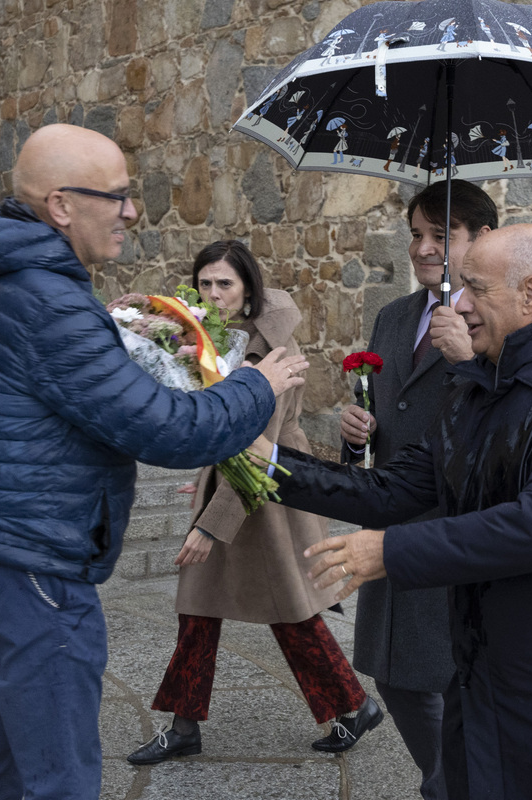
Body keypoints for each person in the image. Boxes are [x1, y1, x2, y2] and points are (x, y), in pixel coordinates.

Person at [0, 124, 308, 800]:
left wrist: (123, 340)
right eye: (119, 197)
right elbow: (168, 431)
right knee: (61, 777)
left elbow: (80, 390)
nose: (133, 212)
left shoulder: (23, 283)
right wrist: (259, 383)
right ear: (62, 206)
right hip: (35, 567)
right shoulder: (49, 302)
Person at [260, 223, 532, 799]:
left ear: (531, 294)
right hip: (490, 668)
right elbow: (390, 491)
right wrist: (267, 464)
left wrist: (389, 551)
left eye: (476, 289)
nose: (459, 304)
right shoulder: (473, 390)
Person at [127, 240, 381, 765]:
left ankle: (353, 706)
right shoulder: (211, 342)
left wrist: (209, 526)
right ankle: (185, 724)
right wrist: (204, 472)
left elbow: (256, 446)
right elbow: (221, 431)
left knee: (288, 610)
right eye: (205, 284)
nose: (214, 294)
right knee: (201, 610)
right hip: (237, 485)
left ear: (248, 291)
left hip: (264, 494)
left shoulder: (273, 354)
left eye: (226, 284)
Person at [339, 179, 495, 800]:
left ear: (480, 240)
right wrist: (356, 435)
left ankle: (454, 786)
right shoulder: (394, 316)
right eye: (416, 235)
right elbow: (384, 412)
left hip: (453, 524)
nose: (423, 248)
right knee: (394, 676)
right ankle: (449, 780)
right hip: (391, 520)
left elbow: (512, 410)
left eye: (441, 235)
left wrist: (470, 360)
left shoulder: (493, 319)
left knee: (452, 677)